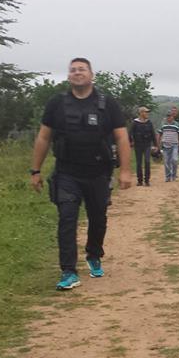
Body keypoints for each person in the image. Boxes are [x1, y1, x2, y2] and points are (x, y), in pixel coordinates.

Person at [30, 57, 132, 290]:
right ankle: (68, 271)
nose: (77, 73)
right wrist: (35, 170)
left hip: (98, 172)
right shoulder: (57, 104)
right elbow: (44, 137)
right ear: (68, 76)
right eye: (73, 70)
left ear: (91, 75)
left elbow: (121, 137)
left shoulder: (107, 104)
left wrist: (125, 171)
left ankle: (93, 255)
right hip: (67, 172)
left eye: (82, 69)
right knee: (67, 218)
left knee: (98, 218)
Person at [130, 106, 157, 186]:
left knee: (147, 161)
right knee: (139, 163)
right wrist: (131, 142)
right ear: (141, 113)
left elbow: (153, 134)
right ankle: (140, 180)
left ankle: (147, 180)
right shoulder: (135, 122)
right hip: (138, 145)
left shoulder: (149, 122)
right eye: (146, 112)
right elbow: (130, 133)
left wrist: (155, 145)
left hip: (147, 145)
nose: (147, 113)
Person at [158, 108, 179, 181]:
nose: (169, 117)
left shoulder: (176, 124)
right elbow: (159, 134)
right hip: (165, 145)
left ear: (173, 117)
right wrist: (157, 144)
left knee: (175, 160)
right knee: (166, 161)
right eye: (168, 116)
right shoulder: (163, 124)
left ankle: (174, 175)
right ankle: (167, 176)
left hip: (174, 145)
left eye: (170, 116)